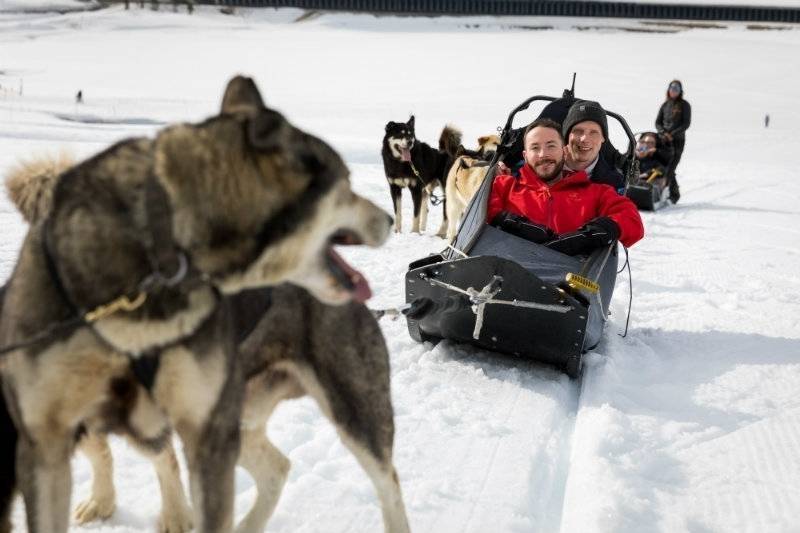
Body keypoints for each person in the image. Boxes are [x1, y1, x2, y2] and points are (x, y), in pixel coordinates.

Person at [488, 118, 644, 257]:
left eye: (551, 146)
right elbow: (482, 213)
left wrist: (590, 235)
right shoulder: (505, 186)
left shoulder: (596, 193)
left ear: (564, 151)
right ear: (525, 155)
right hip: (505, 272)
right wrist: (513, 223)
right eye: (535, 148)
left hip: (568, 281)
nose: (543, 154)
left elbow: (632, 220)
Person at [498, 98, 626, 194]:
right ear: (566, 135)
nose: (584, 139)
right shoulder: (532, 165)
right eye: (578, 131)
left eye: (594, 132)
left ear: (603, 138)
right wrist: (503, 179)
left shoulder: (614, 186)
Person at [655, 79, 691, 203]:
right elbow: (658, 122)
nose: (673, 91)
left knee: (671, 167)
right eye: (672, 89)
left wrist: (672, 134)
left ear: (680, 91)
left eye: (676, 89)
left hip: (677, 142)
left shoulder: (685, 105)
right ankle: (673, 193)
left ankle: (669, 195)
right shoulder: (665, 105)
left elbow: (686, 123)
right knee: (664, 166)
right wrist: (663, 133)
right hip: (663, 140)